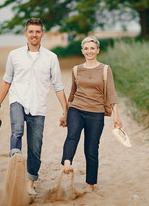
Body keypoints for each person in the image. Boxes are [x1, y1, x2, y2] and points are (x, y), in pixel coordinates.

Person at [0, 18, 68, 195]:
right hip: (18, 100)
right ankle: (14, 168)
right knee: (17, 131)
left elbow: (58, 86)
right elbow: (7, 80)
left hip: (38, 107)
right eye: (31, 31)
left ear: (42, 34)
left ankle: (29, 184)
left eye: (37, 31)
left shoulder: (51, 58)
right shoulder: (14, 55)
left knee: (35, 147)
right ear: (26, 34)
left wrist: (66, 110)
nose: (34, 34)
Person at [61, 36, 123, 191]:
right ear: (82, 51)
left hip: (96, 113)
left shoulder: (105, 69)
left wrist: (116, 116)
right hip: (76, 109)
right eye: (86, 48)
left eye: (92, 48)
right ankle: (67, 162)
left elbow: (111, 94)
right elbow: (72, 93)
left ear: (97, 50)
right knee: (72, 135)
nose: (89, 51)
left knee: (91, 148)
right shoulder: (76, 69)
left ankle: (90, 185)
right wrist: (65, 113)